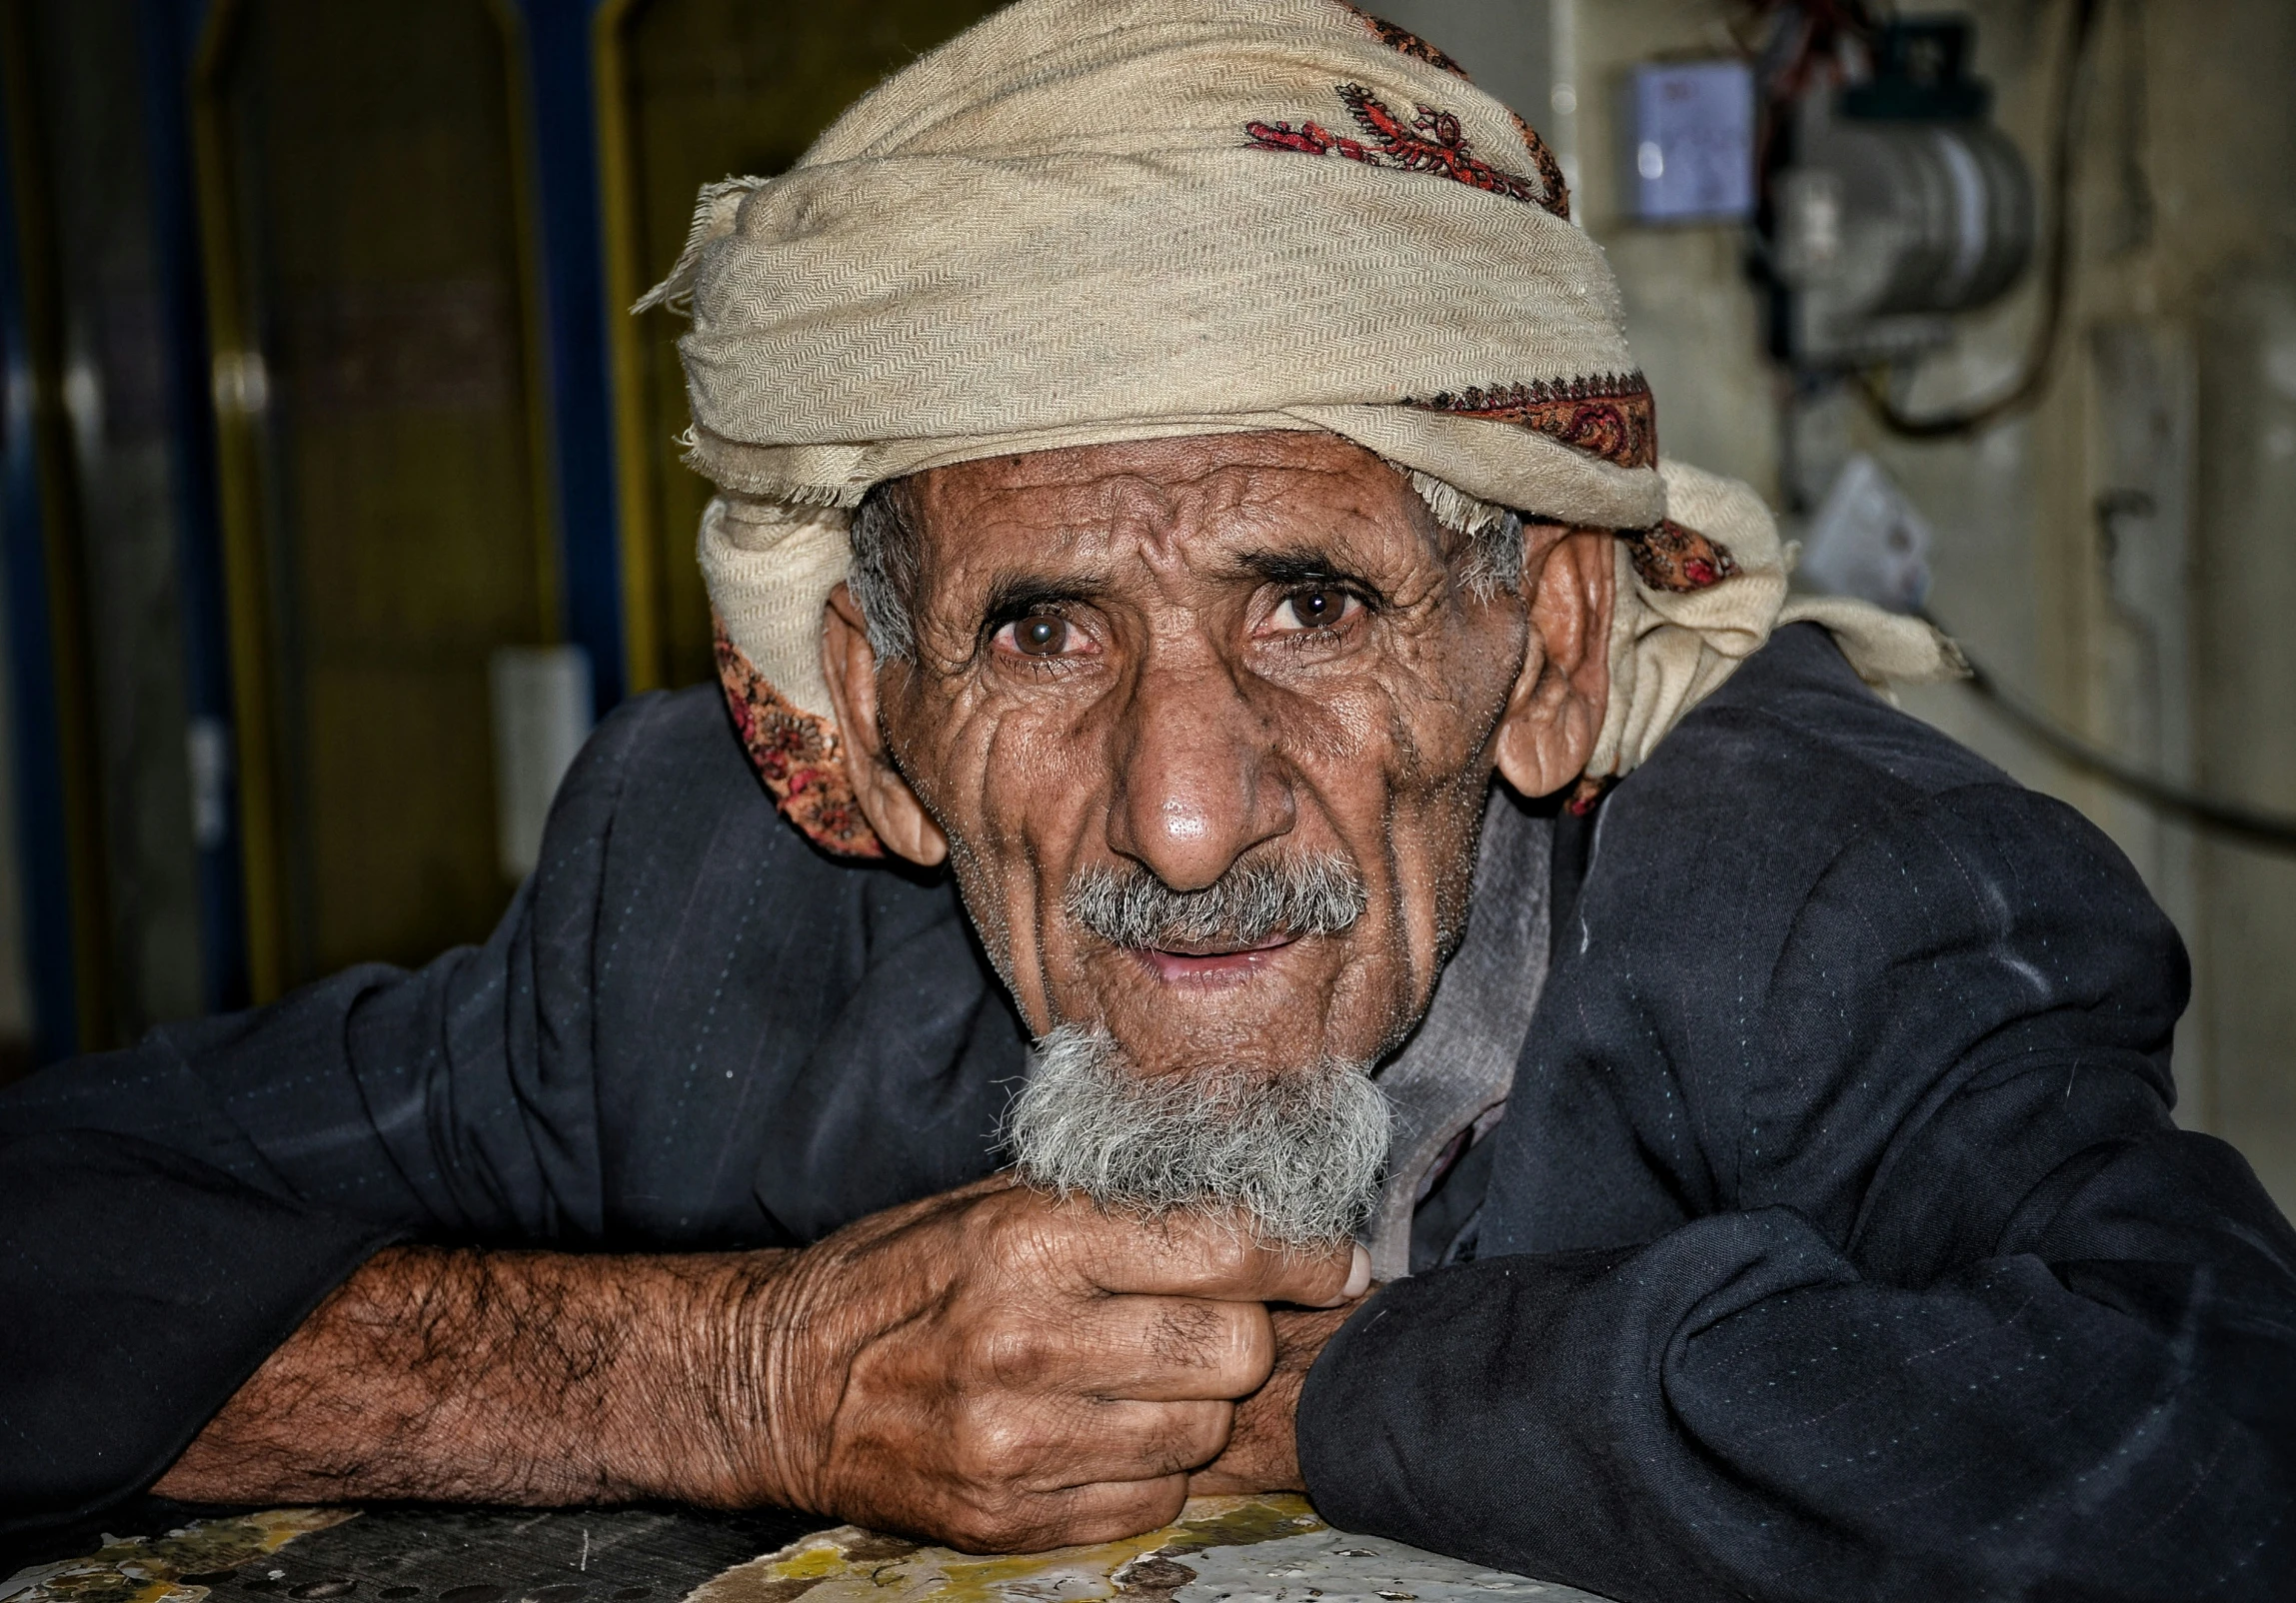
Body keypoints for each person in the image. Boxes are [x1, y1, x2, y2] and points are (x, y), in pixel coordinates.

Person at [4, 2, 2291, 1598]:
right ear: (873, 711)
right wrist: (733, 1374)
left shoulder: (1812, 886)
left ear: (1546, 644)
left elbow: (2207, 1438)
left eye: (1308, 605)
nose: (1182, 817)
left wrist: (1322, 1392)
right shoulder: (699, 907)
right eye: (1038, 632)